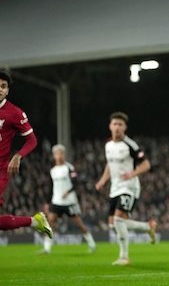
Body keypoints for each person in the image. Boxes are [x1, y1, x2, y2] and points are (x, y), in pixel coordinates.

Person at [0, 69, 53, 280]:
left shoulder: (14, 113)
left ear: (7, 91)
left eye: (3, 86)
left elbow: (32, 140)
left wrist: (18, 156)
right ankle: (35, 222)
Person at [95, 111, 157, 266]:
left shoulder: (130, 145)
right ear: (110, 126)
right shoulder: (108, 145)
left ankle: (124, 257)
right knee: (112, 224)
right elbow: (110, 164)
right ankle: (147, 227)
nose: (117, 127)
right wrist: (103, 180)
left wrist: (132, 173)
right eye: (114, 124)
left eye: (120, 124)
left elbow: (146, 164)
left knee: (118, 220)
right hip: (115, 187)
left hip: (129, 187)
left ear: (125, 127)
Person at [41, 144, 96, 254]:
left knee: (79, 224)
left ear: (64, 155)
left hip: (69, 201)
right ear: (54, 156)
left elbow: (76, 183)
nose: (59, 155)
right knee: (50, 222)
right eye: (57, 153)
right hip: (56, 201)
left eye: (61, 153)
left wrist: (68, 191)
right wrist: (47, 202)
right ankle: (47, 248)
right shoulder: (53, 170)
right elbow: (50, 187)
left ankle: (92, 244)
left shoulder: (69, 167)